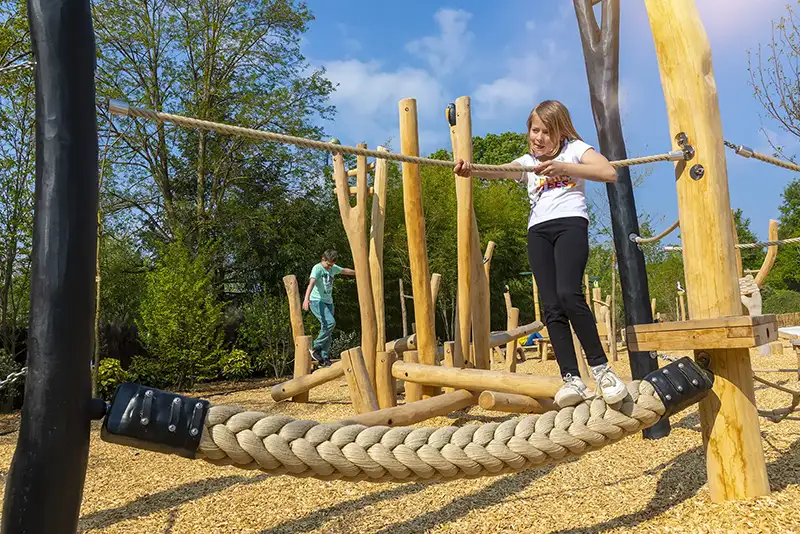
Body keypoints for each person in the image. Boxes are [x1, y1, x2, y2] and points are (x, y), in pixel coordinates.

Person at [453, 100, 627, 408]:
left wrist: (564, 167)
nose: (539, 138)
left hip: (570, 224)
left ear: (560, 132)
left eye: (547, 132)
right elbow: (501, 172)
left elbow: (608, 172)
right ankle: (571, 378)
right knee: (551, 306)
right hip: (539, 231)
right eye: (535, 130)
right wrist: (472, 169)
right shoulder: (528, 162)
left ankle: (602, 372)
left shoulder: (576, 149)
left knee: (569, 295)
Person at [302, 249, 355, 366]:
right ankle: (316, 347)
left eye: (332, 265)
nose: (330, 267)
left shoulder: (332, 267)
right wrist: (306, 299)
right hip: (316, 301)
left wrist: (358, 272)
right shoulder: (317, 268)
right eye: (328, 265)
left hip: (329, 302)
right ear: (323, 259)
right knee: (330, 323)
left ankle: (324, 358)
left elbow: (344, 270)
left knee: (328, 330)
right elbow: (311, 283)